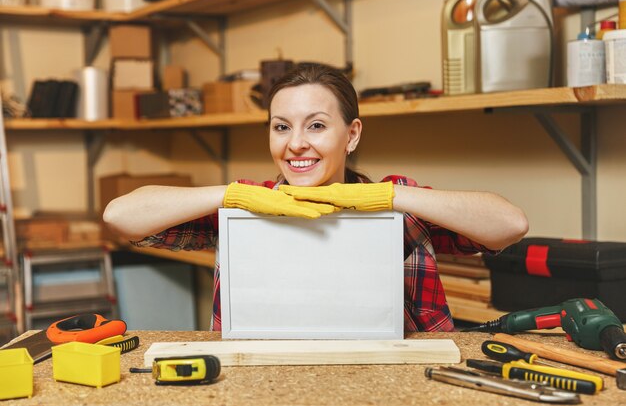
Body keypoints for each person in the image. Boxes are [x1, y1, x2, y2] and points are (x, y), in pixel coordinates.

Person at [103, 63, 528, 332]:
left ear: (352, 135)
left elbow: (508, 225)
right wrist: (233, 196)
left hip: (398, 381)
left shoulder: (398, 204)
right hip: (266, 378)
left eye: (317, 126)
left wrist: (390, 198)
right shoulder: (247, 207)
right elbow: (122, 216)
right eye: (282, 127)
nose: (296, 145)